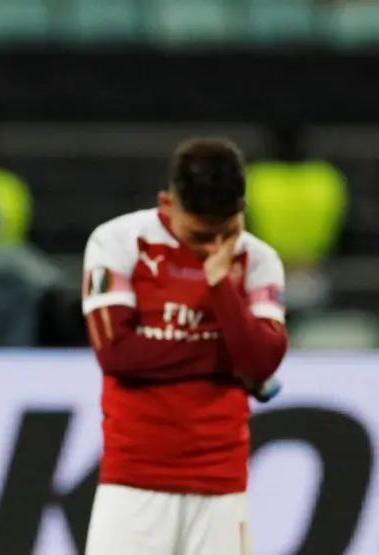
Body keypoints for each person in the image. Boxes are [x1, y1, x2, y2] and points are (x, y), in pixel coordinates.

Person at [81, 137, 288, 555]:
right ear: (167, 203)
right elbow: (118, 355)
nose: (212, 249)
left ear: (241, 213)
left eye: (223, 234)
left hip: (222, 483)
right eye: (199, 236)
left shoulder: (258, 259)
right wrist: (227, 359)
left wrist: (220, 283)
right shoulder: (117, 242)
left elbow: (262, 363)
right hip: (133, 480)